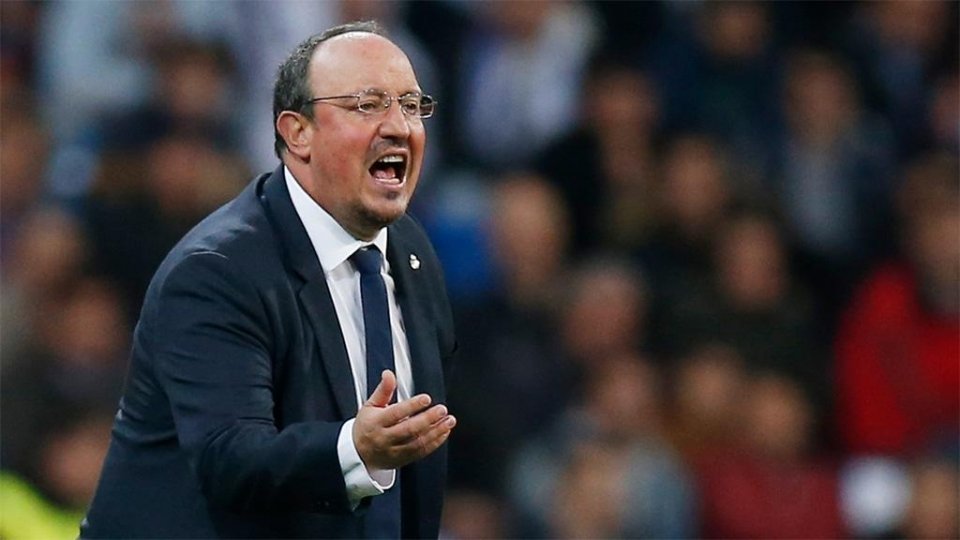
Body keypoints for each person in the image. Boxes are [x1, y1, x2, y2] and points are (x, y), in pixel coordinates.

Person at [80, 21, 458, 538]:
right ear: (297, 132)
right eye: (367, 105)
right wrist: (353, 449)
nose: (398, 126)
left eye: (411, 106)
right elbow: (228, 456)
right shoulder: (216, 271)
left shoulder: (411, 252)